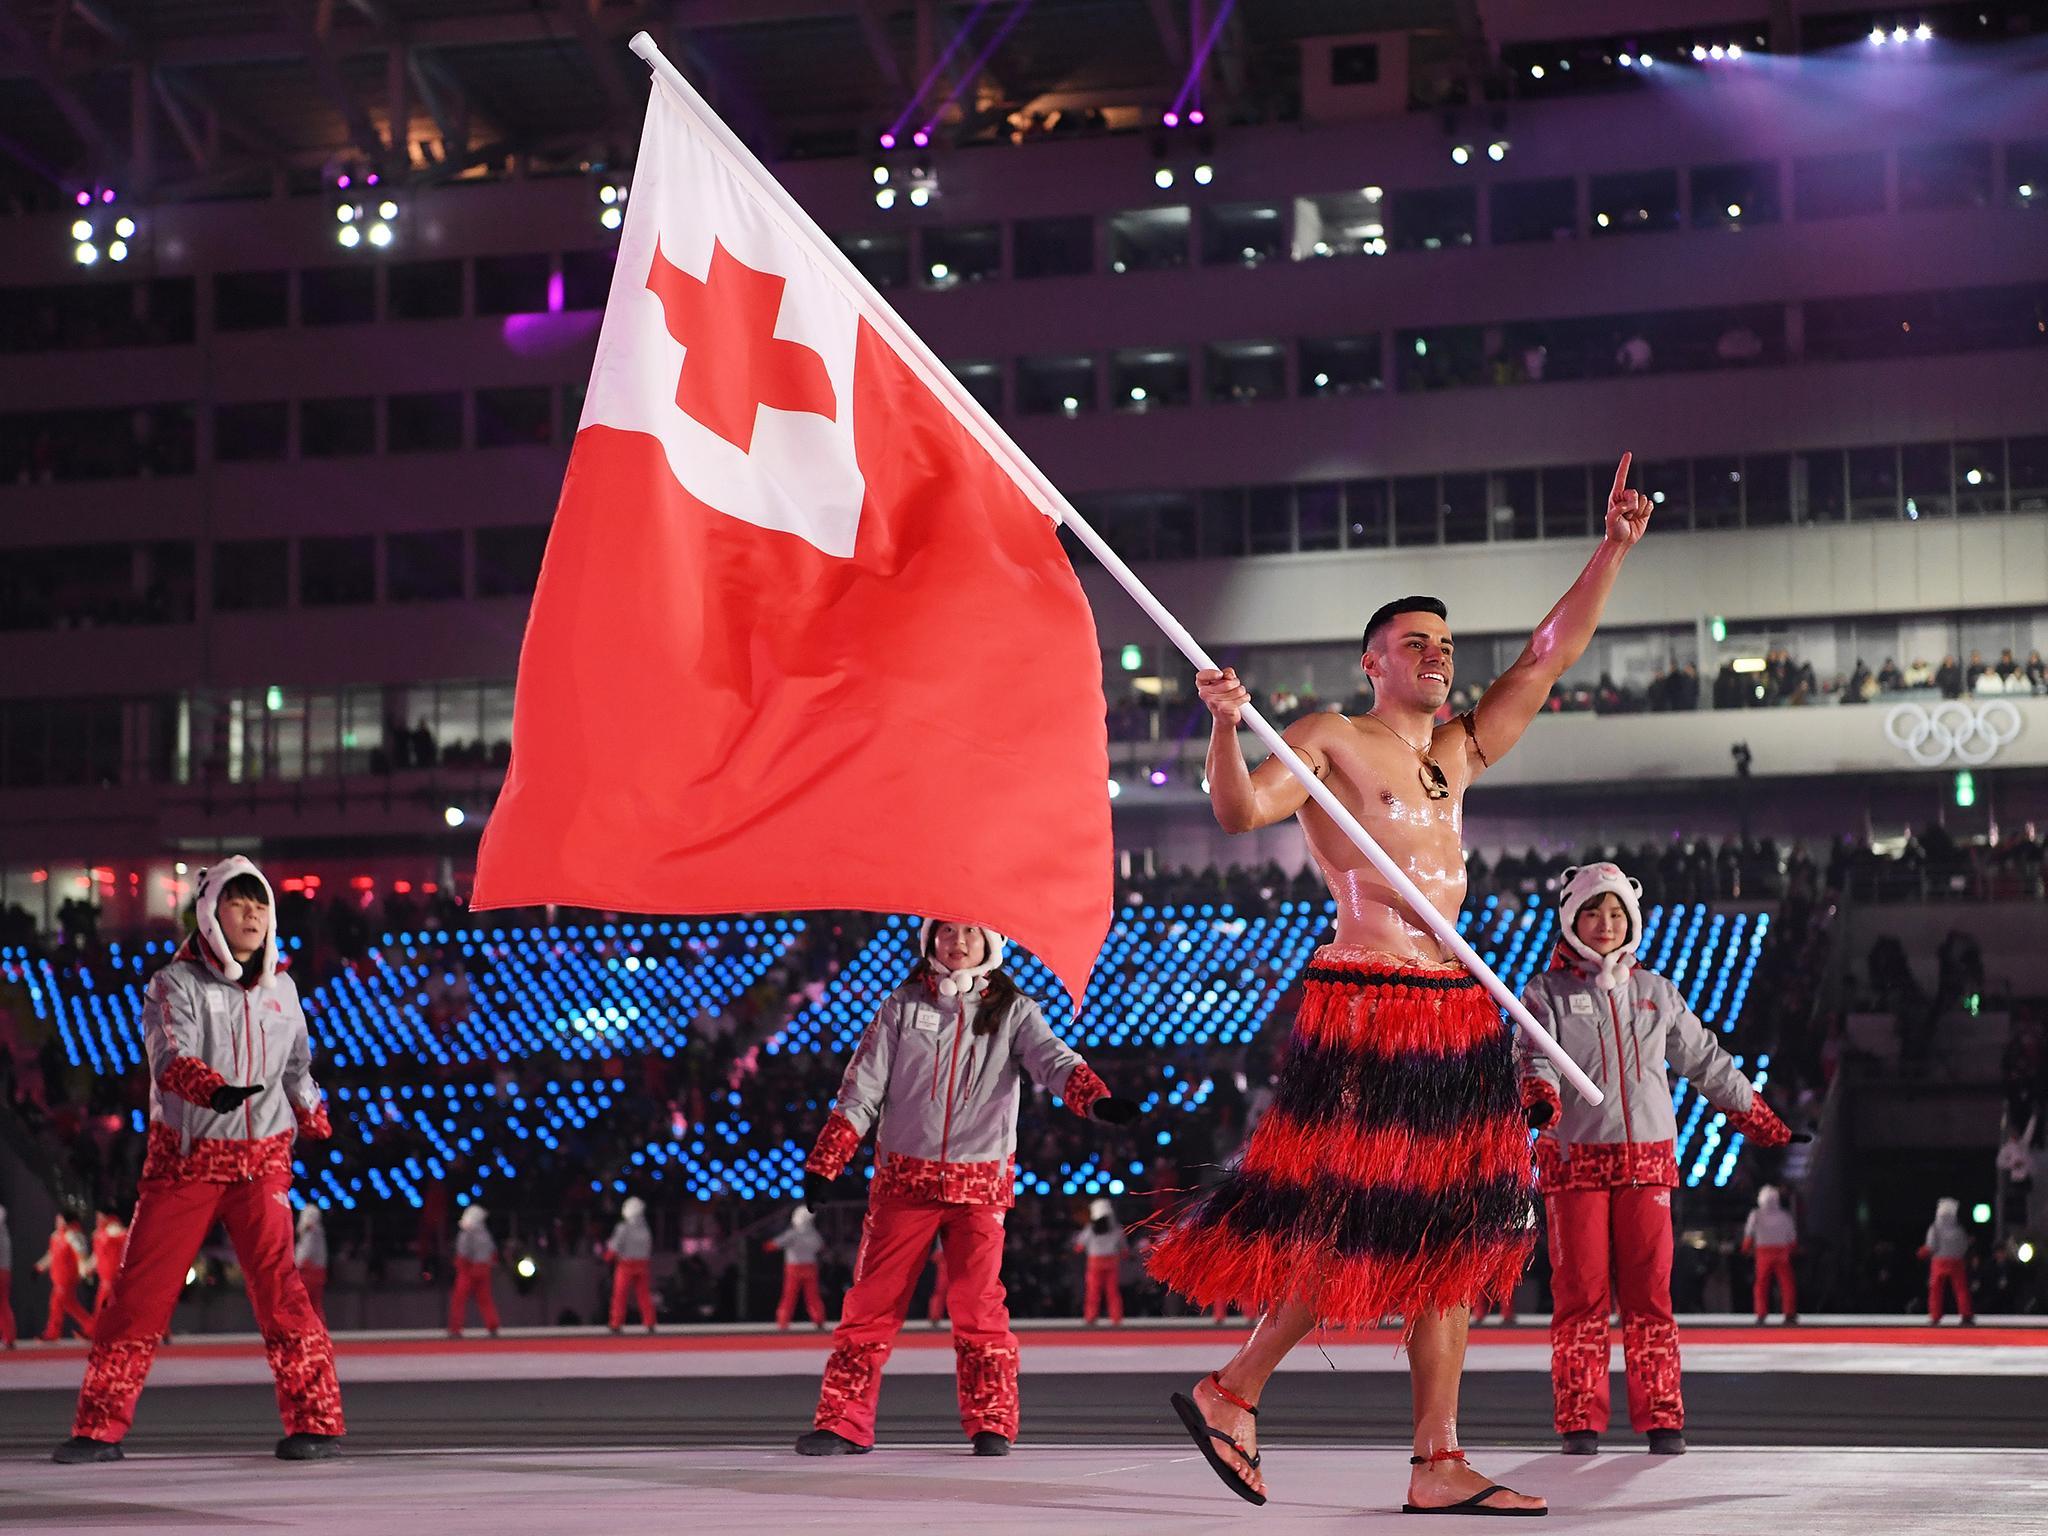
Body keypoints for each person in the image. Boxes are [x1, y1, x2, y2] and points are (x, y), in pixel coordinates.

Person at [1146, 455, 1655, 1514]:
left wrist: (1609, 548)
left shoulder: (1454, 755)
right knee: (1356, 1221)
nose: (1437, 656)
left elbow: (1543, 658)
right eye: (1414, 644)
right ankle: (1235, 1387)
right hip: (1371, 1001)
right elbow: (1240, 814)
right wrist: (1221, 726)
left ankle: (1428, 1455)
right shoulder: (1333, 737)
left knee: (1456, 1235)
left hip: (1451, 1010)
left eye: (1443, 645)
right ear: (1371, 662)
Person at [795, 919, 1136, 1458]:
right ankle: (843, 1422)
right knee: (870, 1304)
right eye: (947, 932)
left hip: (979, 1186)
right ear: (930, 943)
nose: (958, 943)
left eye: (971, 934)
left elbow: (1054, 1060)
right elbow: (861, 1087)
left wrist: (1095, 1098)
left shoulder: (1016, 1012)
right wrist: (827, 1160)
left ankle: (992, 1422)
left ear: (990, 946)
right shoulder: (900, 1007)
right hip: (904, 1183)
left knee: (979, 1308)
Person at [54, 855, 343, 1463]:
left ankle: (315, 1421)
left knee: (282, 1292)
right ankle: (98, 1428)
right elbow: (168, 1057)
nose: (253, 915)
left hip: (263, 1159)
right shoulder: (172, 983)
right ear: (210, 913)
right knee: (140, 1293)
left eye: (260, 903)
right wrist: (210, 1088)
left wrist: (311, 1110)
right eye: (238, 903)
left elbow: (297, 1067)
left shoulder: (282, 989)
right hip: (186, 1162)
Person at [1519, 861, 1794, 1455]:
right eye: (1592, 912)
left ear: (1632, 919)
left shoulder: (1657, 992)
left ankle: (1663, 1416)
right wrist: (1539, 1098)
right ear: (1570, 919)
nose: (1605, 924)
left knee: (1651, 1297)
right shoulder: (1545, 993)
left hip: (1648, 1161)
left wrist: (1755, 1114)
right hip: (1575, 1163)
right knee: (1580, 1298)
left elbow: (1704, 1060)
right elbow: (1535, 1059)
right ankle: (1579, 1422)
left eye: (1616, 912)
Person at [1742, 1186, 1799, 1326]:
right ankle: (1789, 1313)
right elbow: (1792, 1236)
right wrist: (1792, 1249)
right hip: (1781, 1253)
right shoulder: (1784, 1216)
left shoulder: (1756, 1214)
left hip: (1764, 1253)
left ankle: (1761, 1314)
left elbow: (1749, 1234)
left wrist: (1745, 1248)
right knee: (1786, 1285)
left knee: (1761, 1285)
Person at [37, 1213, 94, 1342]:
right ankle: (53, 1333)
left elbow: (81, 1255)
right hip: (57, 1276)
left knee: (67, 1304)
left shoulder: (74, 1236)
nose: (58, 1223)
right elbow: (51, 1255)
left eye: (60, 1220)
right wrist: (40, 1267)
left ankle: (92, 1328)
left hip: (67, 1276)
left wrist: (84, 1271)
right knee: (59, 1304)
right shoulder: (55, 1236)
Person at [768, 1206, 826, 1331]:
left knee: (789, 1297)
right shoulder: (814, 1234)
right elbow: (821, 1247)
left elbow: (773, 1245)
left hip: (793, 1268)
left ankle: (783, 1322)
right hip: (810, 1267)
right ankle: (818, 1320)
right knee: (813, 1296)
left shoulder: (792, 1233)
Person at [449, 1203, 501, 1338]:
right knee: (485, 1299)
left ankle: (456, 1329)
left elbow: (463, 1251)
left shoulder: (467, 1232)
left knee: (459, 1299)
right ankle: (493, 1326)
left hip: (468, 1268)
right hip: (482, 1269)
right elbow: (492, 1250)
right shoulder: (485, 1233)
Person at [1920, 1197, 1975, 1325]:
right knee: (1961, 1289)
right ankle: (1966, 1314)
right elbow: (1964, 1246)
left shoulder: (1935, 1228)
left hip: (1939, 1261)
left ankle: (1935, 1316)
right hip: (1956, 1262)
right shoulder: (1959, 1229)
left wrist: (1924, 1252)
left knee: (1936, 1290)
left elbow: (1931, 1246)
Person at [604, 1196, 655, 1333]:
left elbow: (615, 1246)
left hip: (626, 1265)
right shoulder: (646, 1229)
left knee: (620, 1295)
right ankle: (649, 1322)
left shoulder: (623, 1227)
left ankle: (616, 1323)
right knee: (644, 1295)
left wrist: (608, 1257)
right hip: (642, 1264)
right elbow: (649, 1247)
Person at [1074, 1198, 1127, 1326]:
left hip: (1095, 1263)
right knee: (1112, 1292)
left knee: (1093, 1291)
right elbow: (1124, 1249)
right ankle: (1116, 1318)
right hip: (1111, 1263)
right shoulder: (1116, 1229)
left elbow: (1079, 1246)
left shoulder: (1090, 1229)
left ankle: (1091, 1317)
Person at [89, 1212, 129, 1325]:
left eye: (100, 1217)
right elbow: (97, 1255)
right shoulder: (99, 1234)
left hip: (114, 1273)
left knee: (104, 1301)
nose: (97, 1220)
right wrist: (89, 1268)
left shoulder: (113, 1230)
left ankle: (95, 1329)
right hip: (108, 1275)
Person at [295, 1206, 328, 1324]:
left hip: (309, 1273)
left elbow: (306, 1255)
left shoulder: (311, 1232)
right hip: (317, 1272)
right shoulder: (319, 1231)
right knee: (315, 1305)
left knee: (304, 1305)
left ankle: (308, 1331)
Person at [0, 1203, 15, 1349]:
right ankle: (8, 1337)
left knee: (2, 1302)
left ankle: (9, 1337)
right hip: (4, 1267)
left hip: (2, 1268)